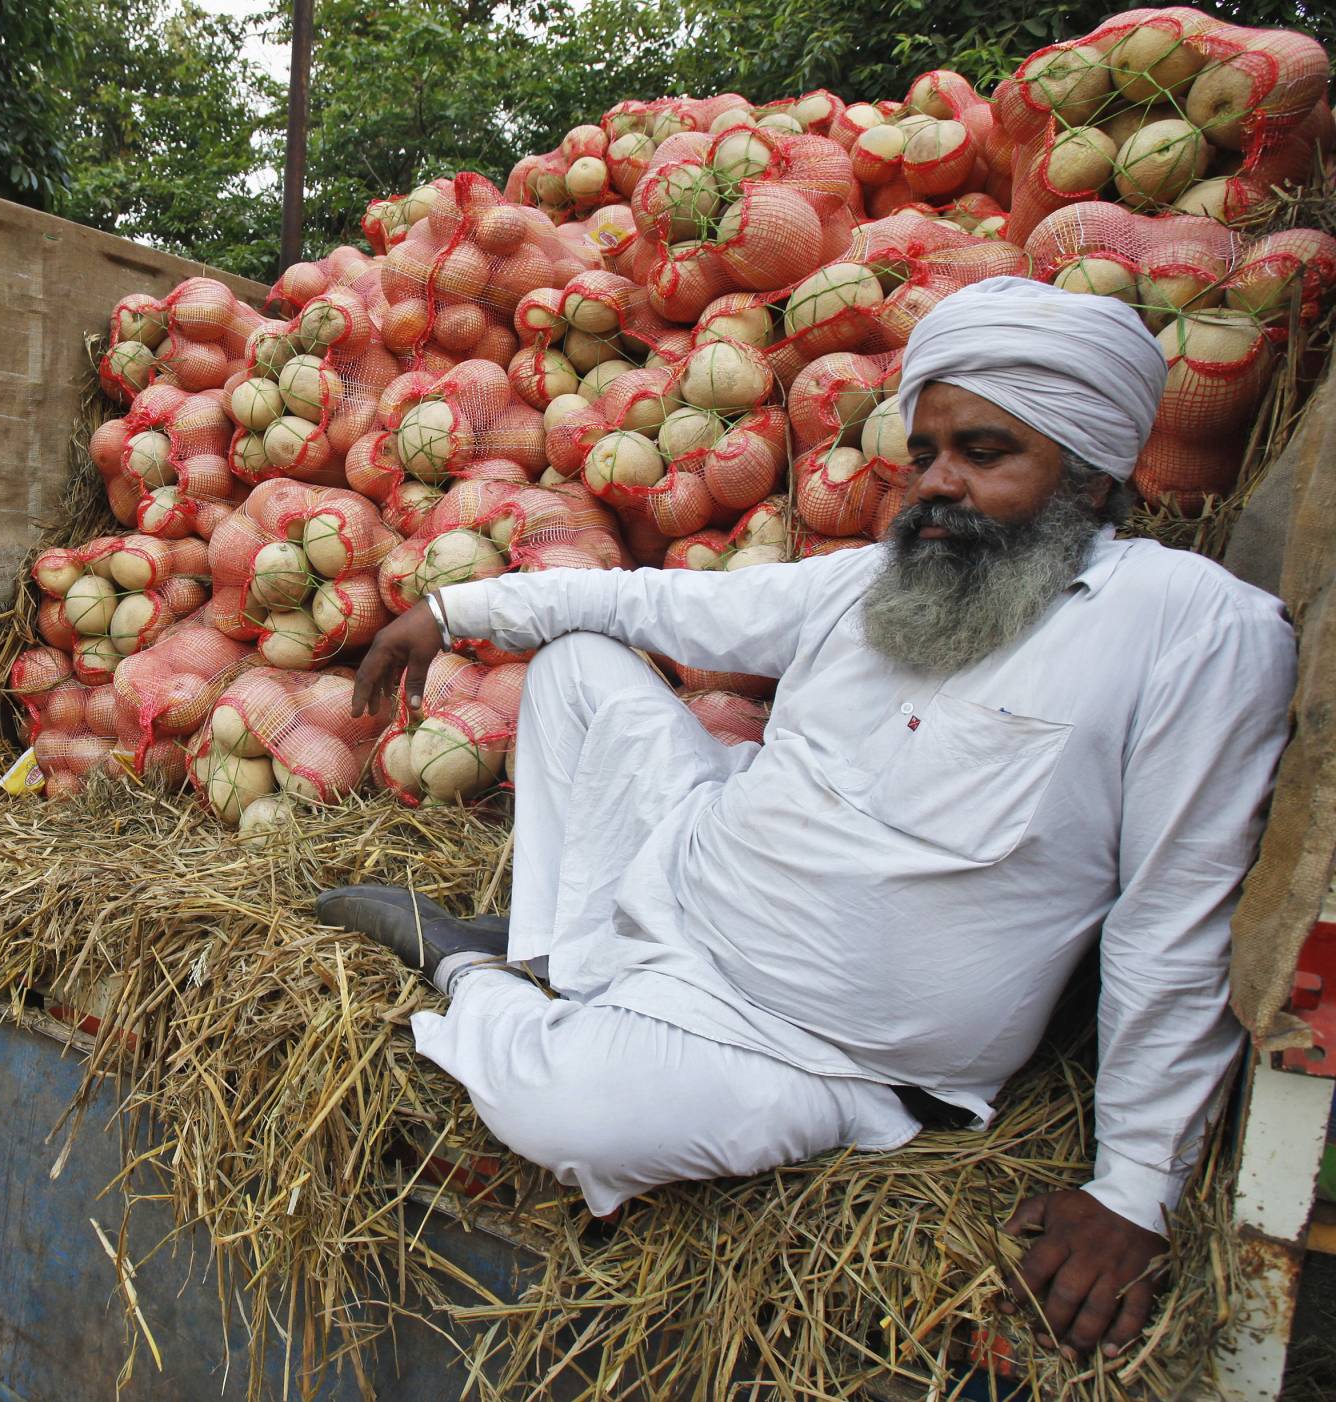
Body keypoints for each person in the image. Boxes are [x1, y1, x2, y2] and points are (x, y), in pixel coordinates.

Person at [319, 278, 1296, 1362]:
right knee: (580, 669)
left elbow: (1177, 911)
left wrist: (1134, 1187)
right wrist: (452, 610)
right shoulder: (874, 583)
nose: (936, 485)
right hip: (695, 887)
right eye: (923, 453)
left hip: (821, 1046)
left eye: (983, 453)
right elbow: (655, 605)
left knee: (569, 1121)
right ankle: (566, 956)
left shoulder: (1191, 626)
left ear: (1089, 470)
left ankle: (475, 979)